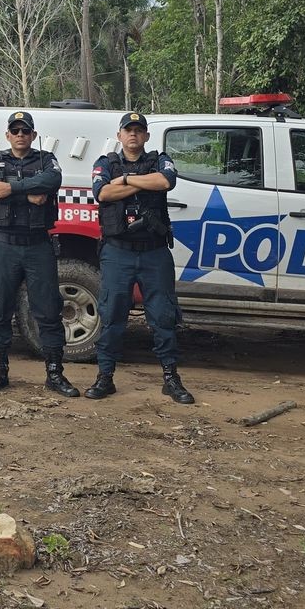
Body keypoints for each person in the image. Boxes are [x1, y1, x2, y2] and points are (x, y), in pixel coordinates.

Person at [86, 111, 194, 404]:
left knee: (163, 316)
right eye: (128, 130)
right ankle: (105, 377)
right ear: (119, 135)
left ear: (146, 136)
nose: (133, 135)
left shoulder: (160, 159)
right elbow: (103, 193)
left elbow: (165, 182)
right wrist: (134, 181)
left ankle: (171, 378)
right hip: (117, 252)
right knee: (112, 316)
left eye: (138, 130)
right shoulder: (105, 163)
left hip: (154, 252)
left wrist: (125, 180)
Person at [0, 110, 79, 397]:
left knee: (48, 309)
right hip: (5, 245)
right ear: (7, 134)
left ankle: (55, 374)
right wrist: (26, 193)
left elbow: (52, 182)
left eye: (26, 131)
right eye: (15, 130)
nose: (20, 135)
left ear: (33, 135)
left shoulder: (46, 160)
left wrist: (11, 187)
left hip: (38, 245)